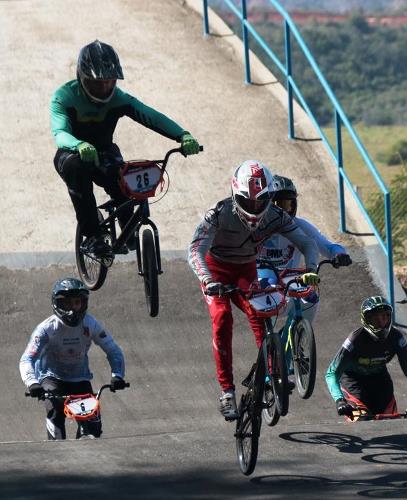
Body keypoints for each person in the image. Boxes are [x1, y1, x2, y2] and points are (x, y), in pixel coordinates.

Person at [188, 160, 320, 421]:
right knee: (222, 318)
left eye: (261, 202)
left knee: (261, 317)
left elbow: (307, 243)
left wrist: (312, 268)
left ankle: (271, 375)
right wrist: (206, 279)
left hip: (246, 270)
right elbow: (195, 249)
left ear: (270, 197)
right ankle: (227, 392)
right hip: (216, 271)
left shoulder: (275, 215)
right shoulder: (218, 213)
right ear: (235, 194)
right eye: (248, 202)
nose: (255, 208)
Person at [51, 40, 200, 257]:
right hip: (71, 154)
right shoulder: (64, 97)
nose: (104, 89)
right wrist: (78, 144)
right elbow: (60, 133)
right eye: (97, 83)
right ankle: (92, 236)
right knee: (78, 171)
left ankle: (129, 232)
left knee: (125, 183)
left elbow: (151, 117)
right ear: (82, 79)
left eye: (110, 82)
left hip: (104, 151)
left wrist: (182, 134)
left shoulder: (119, 99)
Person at [19, 277, 126, 440]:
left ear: (84, 303)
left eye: (77, 303)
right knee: (55, 410)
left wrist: (117, 375)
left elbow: (114, 351)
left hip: (80, 380)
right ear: (58, 304)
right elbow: (27, 359)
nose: (73, 309)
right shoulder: (46, 328)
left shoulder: (91, 324)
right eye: (68, 304)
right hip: (52, 379)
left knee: (93, 423)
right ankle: (58, 450)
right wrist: (32, 383)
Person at [259, 175, 352, 328]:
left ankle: (299, 335)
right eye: (276, 206)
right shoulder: (256, 226)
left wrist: (339, 254)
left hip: (290, 280)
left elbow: (328, 247)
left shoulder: (300, 226)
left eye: (286, 205)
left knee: (311, 297)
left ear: (294, 205)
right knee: (270, 288)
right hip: (263, 282)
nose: (282, 213)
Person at [325, 296, 407, 419]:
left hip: (380, 380)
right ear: (366, 320)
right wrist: (340, 400)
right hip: (353, 381)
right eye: (376, 318)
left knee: (391, 421)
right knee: (361, 420)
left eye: (385, 316)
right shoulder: (355, 340)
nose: (382, 323)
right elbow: (331, 374)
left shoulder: (396, 338)